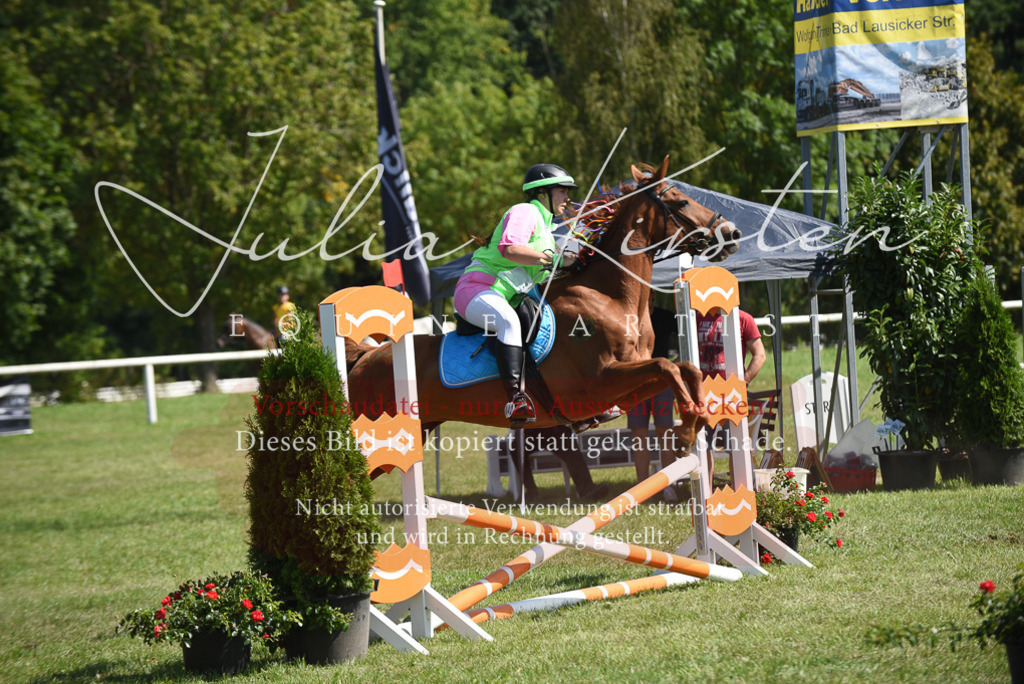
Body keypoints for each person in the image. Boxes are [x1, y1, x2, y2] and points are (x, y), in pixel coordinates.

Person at [453, 164, 578, 423]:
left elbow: (554, 267)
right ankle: (516, 399)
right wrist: (554, 259)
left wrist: (576, 256)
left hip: (503, 297)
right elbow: (510, 250)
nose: (567, 198)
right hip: (476, 289)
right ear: (543, 192)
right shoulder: (525, 211)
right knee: (508, 321)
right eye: (563, 191)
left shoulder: (547, 231)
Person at [696, 305, 767, 481]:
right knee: (703, 446)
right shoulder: (696, 317)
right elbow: (688, 354)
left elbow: (760, 355)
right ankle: (706, 492)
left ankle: (740, 489)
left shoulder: (743, 318)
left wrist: (744, 382)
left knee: (735, 446)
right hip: (703, 392)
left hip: (732, 393)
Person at [628, 305, 680, 501]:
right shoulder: (628, 317)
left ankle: (669, 486)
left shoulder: (665, 316)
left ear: (652, 295)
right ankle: (641, 491)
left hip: (661, 383)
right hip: (636, 384)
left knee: (665, 435)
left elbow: (688, 337)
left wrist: (674, 365)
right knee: (639, 436)